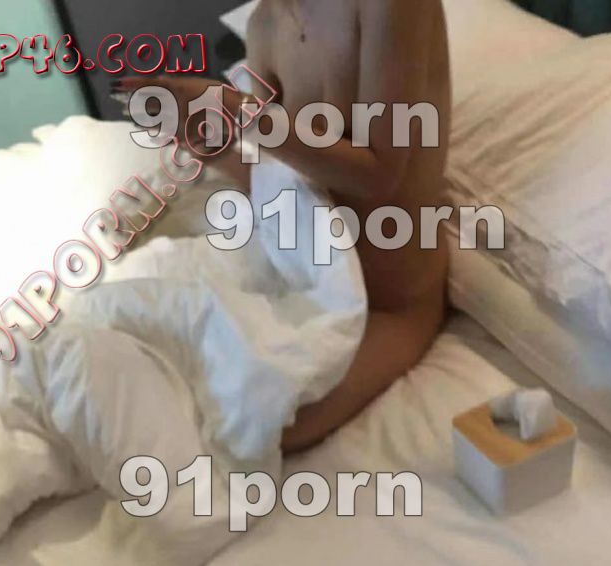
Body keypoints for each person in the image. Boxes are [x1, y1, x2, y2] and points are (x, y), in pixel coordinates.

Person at [114, 0, 451, 452]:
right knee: (146, 380)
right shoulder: (265, 25)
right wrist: (206, 143)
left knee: (245, 435)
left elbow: (378, 174)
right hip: (307, 280)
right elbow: (277, 177)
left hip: (394, 304)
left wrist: (240, 112)